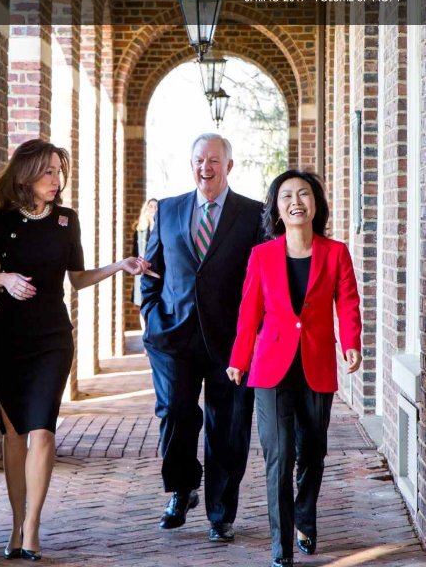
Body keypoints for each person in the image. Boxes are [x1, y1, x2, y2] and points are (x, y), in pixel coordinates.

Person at [0, 139, 153, 561]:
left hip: (53, 337)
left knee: (44, 430)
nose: (57, 179)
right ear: (25, 174)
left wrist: (119, 266)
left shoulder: (67, 221)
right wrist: (5, 280)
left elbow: (78, 278)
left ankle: (32, 528)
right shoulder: (1, 220)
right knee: (14, 435)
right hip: (8, 338)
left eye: (59, 171)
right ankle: (15, 526)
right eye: (49, 171)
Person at [227, 170, 362, 567]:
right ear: (277, 209)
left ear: (315, 205)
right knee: (279, 455)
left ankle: (305, 515)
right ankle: (280, 548)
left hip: (316, 364)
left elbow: (348, 302)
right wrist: (239, 358)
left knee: (313, 452)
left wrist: (352, 343)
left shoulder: (335, 252)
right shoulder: (262, 256)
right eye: (286, 196)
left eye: (304, 194)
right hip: (270, 367)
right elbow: (249, 311)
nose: (296, 201)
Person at [141, 133, 264, 542]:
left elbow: (263, 280)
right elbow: (150, 269)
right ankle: (181, 488)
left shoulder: (254, 215)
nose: (205, 168)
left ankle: (220, 513)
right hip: (173, 336)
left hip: (232, 340)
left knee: (227, 426)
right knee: (175, 413)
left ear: (229, 166)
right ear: (190, 163)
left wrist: (258, 334)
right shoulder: (169, 209)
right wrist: (150, 316)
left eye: (213, 160)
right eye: (198, 160)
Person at [131, 198, 158, 308]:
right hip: (142, 271)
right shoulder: (140, 230)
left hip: (157, 270)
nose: (153, 209)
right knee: (141, 304)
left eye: (156, 207)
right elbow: (135, 252)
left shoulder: (161, 228)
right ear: (145, 209)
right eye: (150, 206)